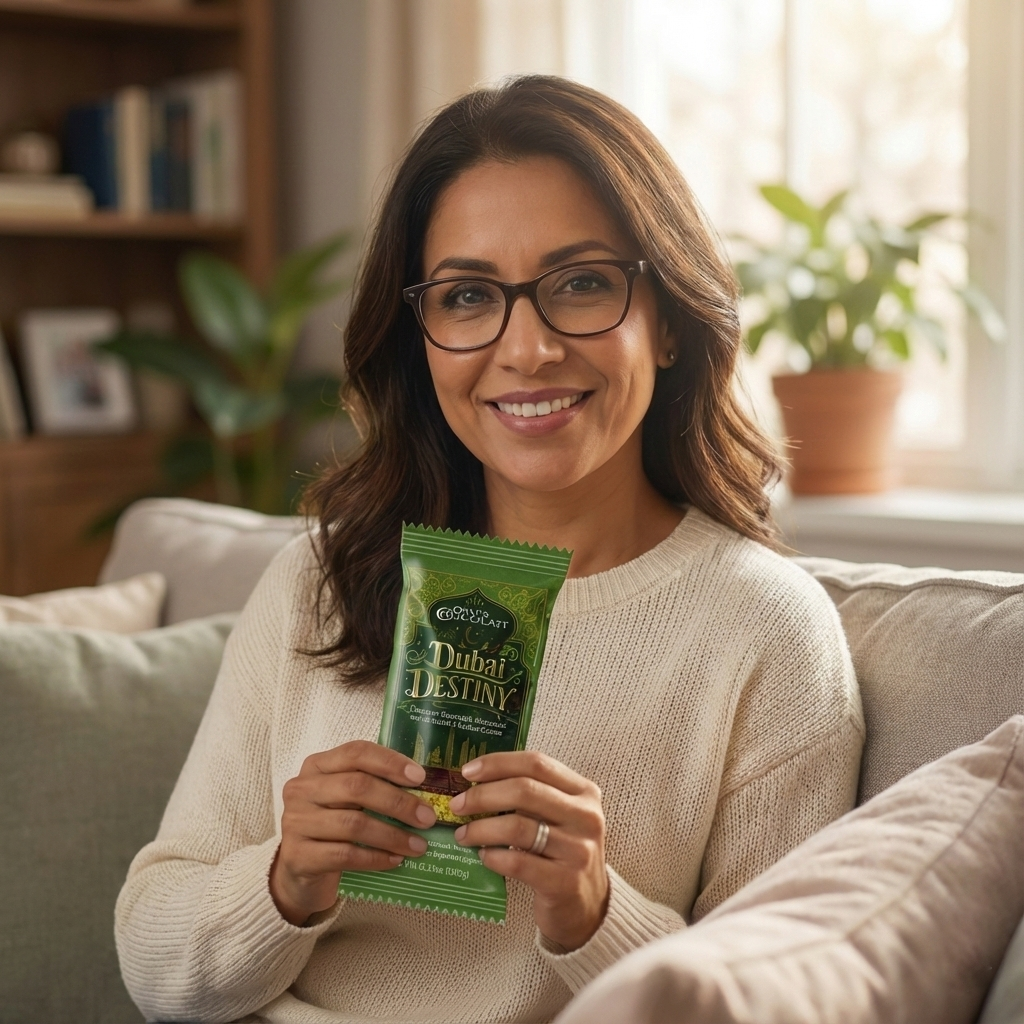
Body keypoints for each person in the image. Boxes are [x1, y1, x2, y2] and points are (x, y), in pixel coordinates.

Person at [115, 75, 863, 1024]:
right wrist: (283, 881)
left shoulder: (765, 631)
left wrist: (594, 912)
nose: (527, 349)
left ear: (669, 321)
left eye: (581, 283)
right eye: (468, 296)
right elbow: (152, 961)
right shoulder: (320, 581)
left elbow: (771, 1004)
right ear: (421, 339)